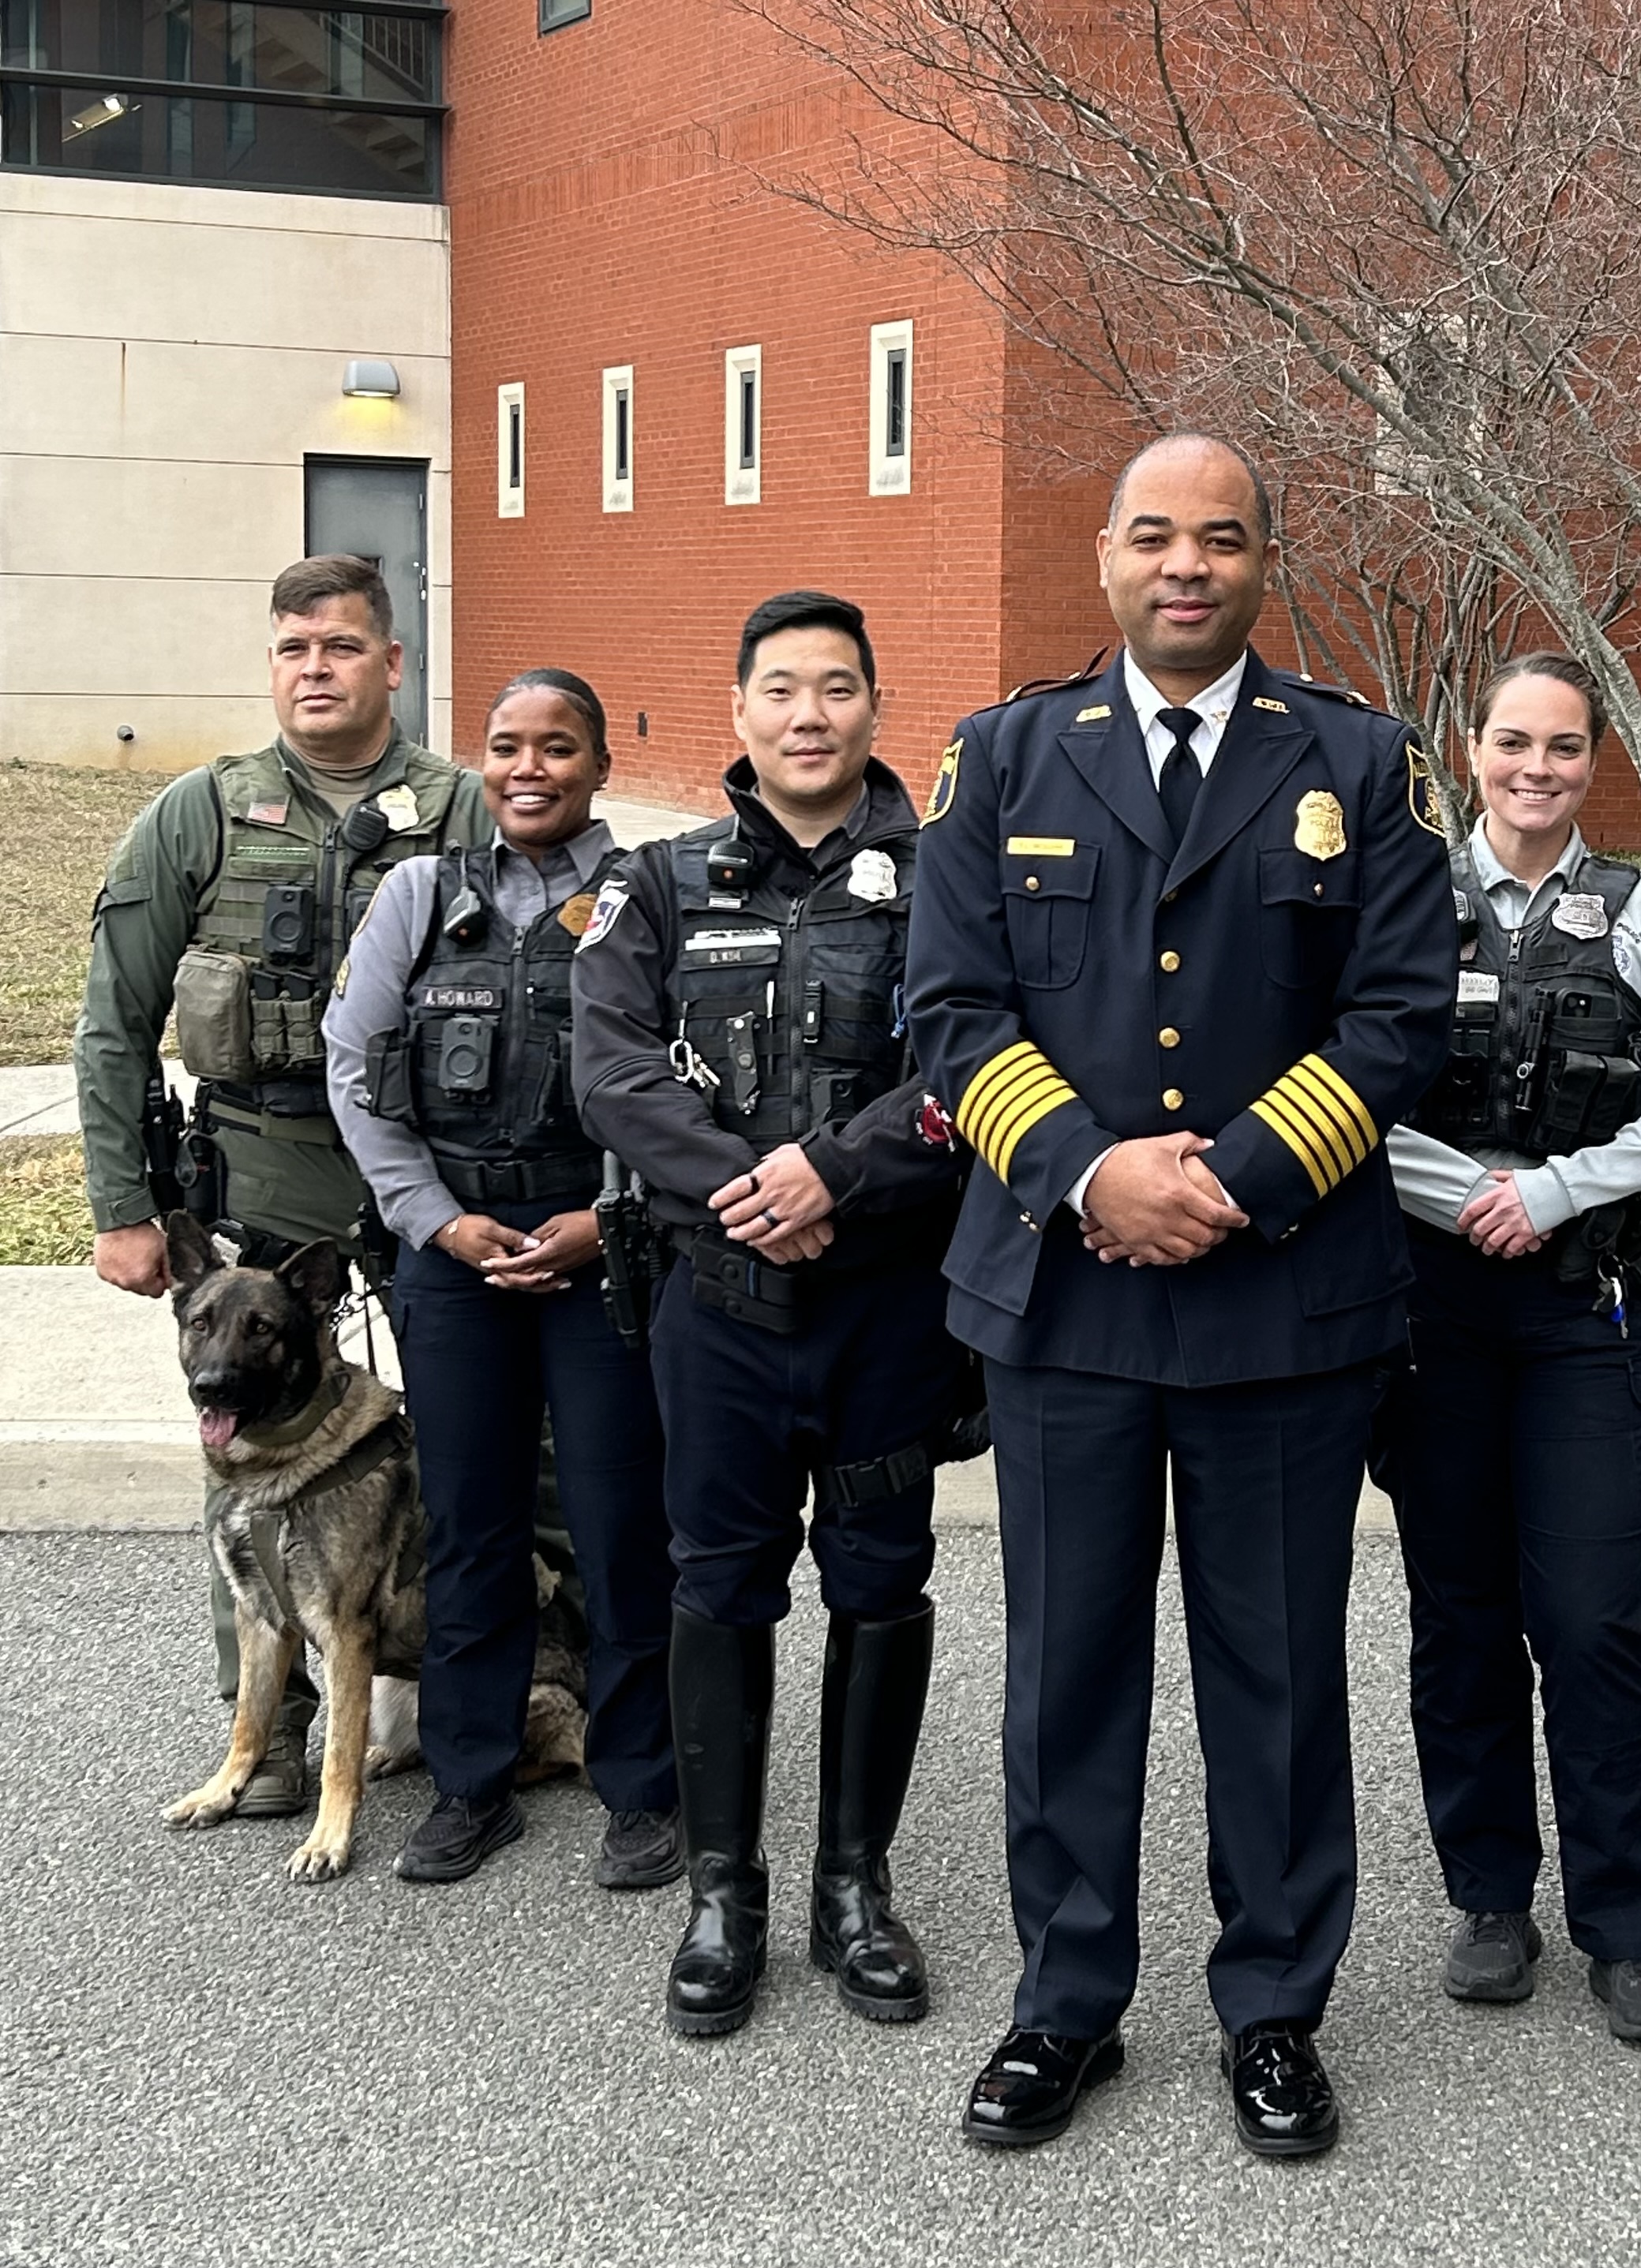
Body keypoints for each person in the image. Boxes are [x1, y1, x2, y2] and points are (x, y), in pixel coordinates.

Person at [905, 433, 1455, 2157]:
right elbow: (948, 1007)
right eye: (1154, 535)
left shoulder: (1358, 764)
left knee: (1275, 1673)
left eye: (1220, 538)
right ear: (1104, 557)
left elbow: (1395, 1014)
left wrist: (1225, 1177)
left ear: (1258, 561)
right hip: (1065, 1297)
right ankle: (1064, 2004)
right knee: (1065, 1667)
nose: (1186, 566)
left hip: (1277, 1295)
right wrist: (1091, 1173)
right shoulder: (999, 757)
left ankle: (1272, 2005)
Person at [569, 590, 969, 2036]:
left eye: (839, 689)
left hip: (884, 1309)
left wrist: (832, 1175)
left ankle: (853, 1887)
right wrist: (757, 1188)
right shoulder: (662, 884)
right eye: (783, 690)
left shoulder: (946, 878)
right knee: (718, 1582)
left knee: (880, 1579)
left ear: (874, 707)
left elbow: (972, 1066)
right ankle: (721, 1892)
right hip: (720, 1306)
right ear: (739, 713)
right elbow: (611, 1070)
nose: (811, 716)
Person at [76, 555, 489, 1817]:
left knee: (484, 1438)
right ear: (273, 664)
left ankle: (493, 1690)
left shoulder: (466, 806)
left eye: (344, 646)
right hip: (263, 1158)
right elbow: (114, 1020)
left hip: (434, 1160)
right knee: (251, 1438)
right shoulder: (200, 811)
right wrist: (119, 1205)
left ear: (393, 663)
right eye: (295, 648)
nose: (317, 669)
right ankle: (269, 1724)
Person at [1373, 652, 1641, 2045]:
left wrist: (1553, 1190)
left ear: (1595, 763)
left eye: (1565, 748)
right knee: (1459, 1617)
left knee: (1589, 1622)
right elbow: (1343, 1086)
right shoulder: (1407, 905)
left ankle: (1631, 1930)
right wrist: (1455, 1192)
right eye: (1514, 743)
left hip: (1585, 1303)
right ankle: (1488, 1900)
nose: (1538, 769)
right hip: (1433, 1307)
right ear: (1473, 752)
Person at [322, 668, 678, 1887]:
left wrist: (607, 1213)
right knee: (469, 1522)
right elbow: (355, 1069)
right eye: (505, 746)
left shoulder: (651, 896)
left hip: (601, 1247)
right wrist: (436, 1221)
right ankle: (472, 1778)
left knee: (621, 1520)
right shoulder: (420, 893)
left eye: (558, 747)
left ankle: (642, 1780)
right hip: (452, 1253)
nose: (529, 768)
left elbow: (684, 1084)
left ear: (599, 766)